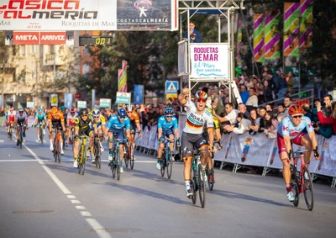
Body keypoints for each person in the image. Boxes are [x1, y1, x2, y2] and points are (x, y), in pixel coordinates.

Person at [276, 104, 319, 202]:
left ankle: (305, 170)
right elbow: (287, 140)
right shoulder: (285, 121)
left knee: (309, 144)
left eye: (300, 116)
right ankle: (289, 190)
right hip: (283, 138)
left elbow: (312, 136)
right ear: (290, 116)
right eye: (295, 116)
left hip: (296, 135)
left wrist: (316, 150)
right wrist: (290, 153)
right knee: (286, 162)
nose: (298, 118)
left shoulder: (306, 120)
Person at [178, 88, 214, 197]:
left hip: (198, 136)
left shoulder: (208, 114)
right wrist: (183, 93)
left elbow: (210, 131)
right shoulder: (191, 106)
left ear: (206, 102)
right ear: (196, 101)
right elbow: (181, 100)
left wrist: (211, 145)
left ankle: (202, 169)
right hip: (187, 136)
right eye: (199, 100)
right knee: (187, 161)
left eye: (203, 101)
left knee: (206, 151)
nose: (201, 102)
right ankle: (188, 186)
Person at [106, 108, 131, 173]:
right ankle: (111, 153)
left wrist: (128, 136)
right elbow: (107, 129)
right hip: (112, 130)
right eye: (121, 117)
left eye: (123, 117)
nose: (122, 119)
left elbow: (128, 130)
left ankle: (120, 164)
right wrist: (106, 135)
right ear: (118, 116)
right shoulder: (113, 118)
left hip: (120, 132)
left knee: (121, 148)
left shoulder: (127, 119)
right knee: (110, 138)